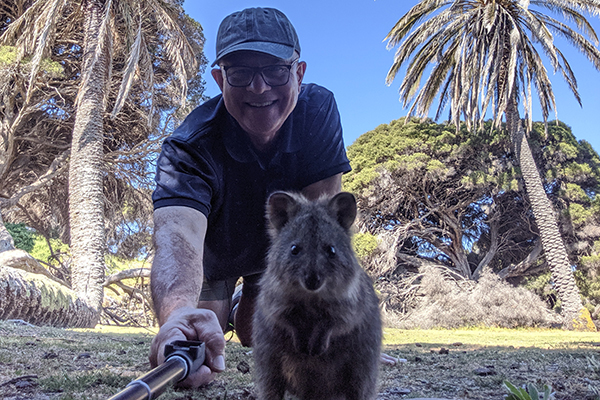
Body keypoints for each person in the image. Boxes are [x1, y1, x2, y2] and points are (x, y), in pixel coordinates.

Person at [148, 7, 352, 388]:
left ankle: (244, 306)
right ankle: (222, 305)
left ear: (299, 73)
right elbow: (177, 236)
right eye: (240, 73)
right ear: (219, 79)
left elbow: (319, 232)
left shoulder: (318, 111)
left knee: (257, 335)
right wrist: (177, 315)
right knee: (202, 335)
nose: (259, 88)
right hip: (210, 260)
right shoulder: (187, 148)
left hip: (274, 257)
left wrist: (337, 334)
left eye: (275, 70)